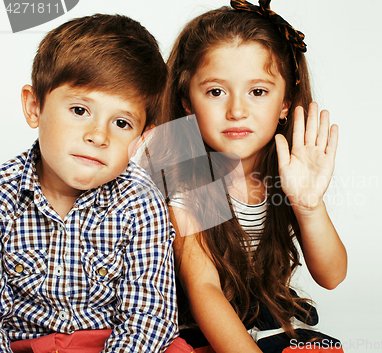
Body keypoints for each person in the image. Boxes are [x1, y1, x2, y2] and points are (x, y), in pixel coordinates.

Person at [145, 1, 347, 352]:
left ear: (284, 103)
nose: (237, 110)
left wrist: (309, 206)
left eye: (257, 92)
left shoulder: (286, 171)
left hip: (262, 312)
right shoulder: (186, 174)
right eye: (215, 92)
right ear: (186, 101)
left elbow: (331, 276)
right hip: (201, 322)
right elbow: (205, 290)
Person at [0, 14, 183, 353]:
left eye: (122, 122)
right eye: (80, 110)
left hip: (114, 344)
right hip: (27, 346)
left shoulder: (140, 202)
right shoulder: (4, 196)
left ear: (142, 138)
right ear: (34, 106)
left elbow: (149, 316)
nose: (98, 136)